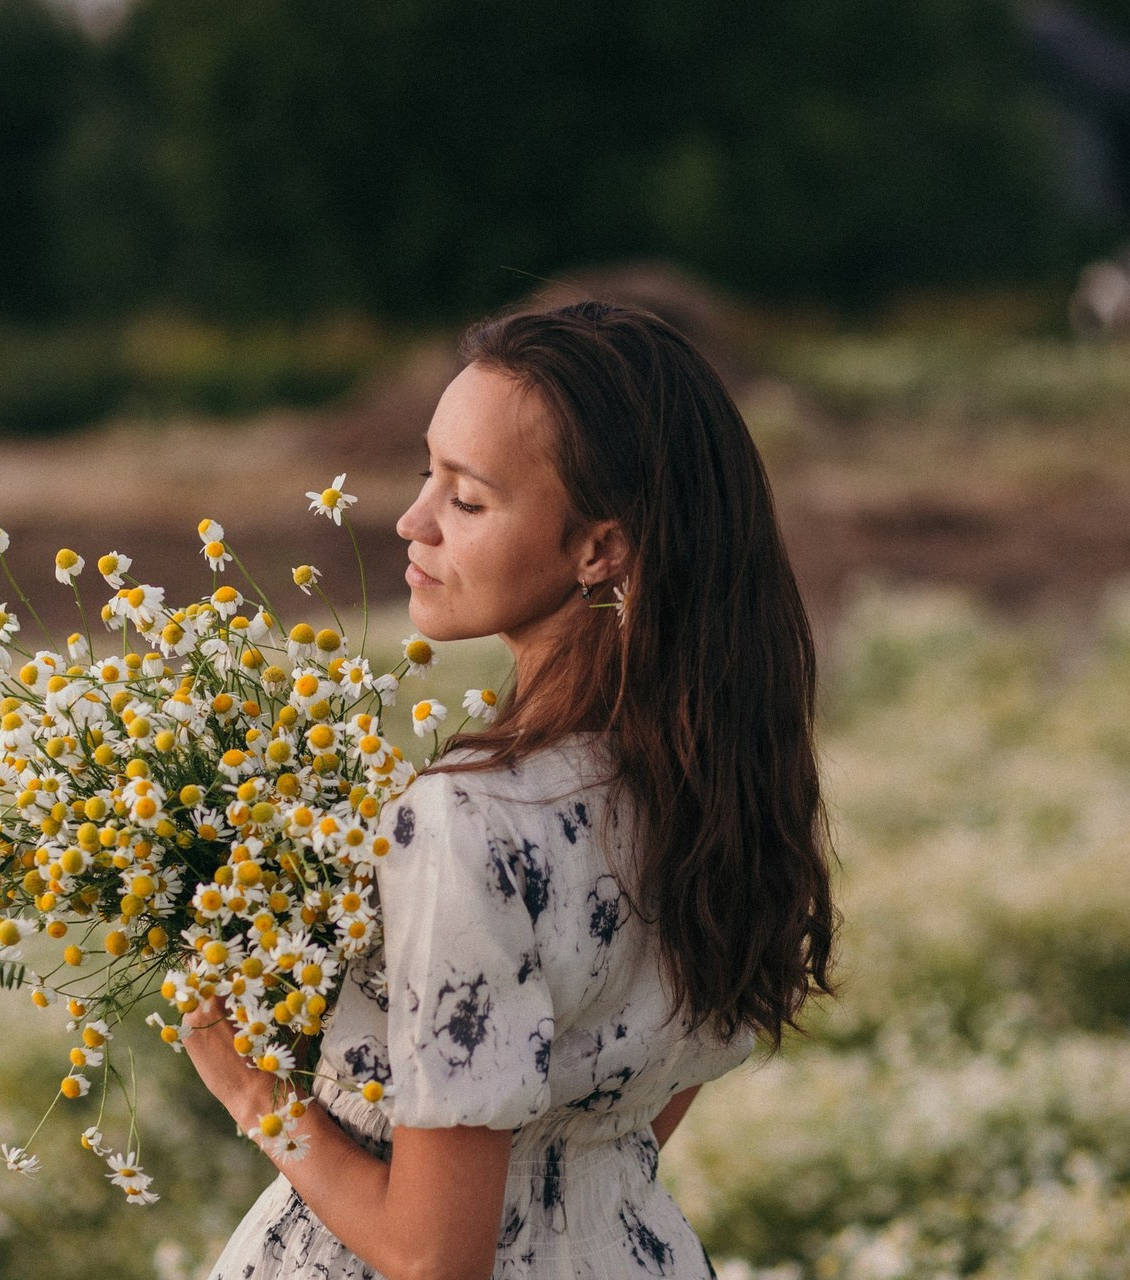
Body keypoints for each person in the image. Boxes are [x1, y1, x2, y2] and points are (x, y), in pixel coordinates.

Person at [184, 301, 837, 1280]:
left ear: (598, 549)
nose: (411, 522)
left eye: (468, 499)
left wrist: (252, 1092)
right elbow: (628, 1107)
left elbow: (434, 1254)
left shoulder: (468, 819)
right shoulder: (720, 773)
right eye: (424, 476)